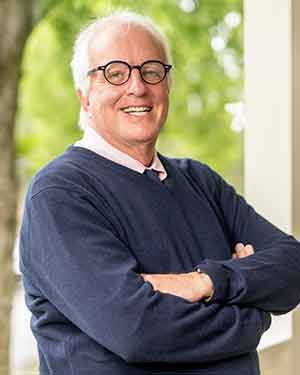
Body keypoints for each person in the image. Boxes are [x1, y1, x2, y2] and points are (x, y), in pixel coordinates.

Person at [19, 10, 300, 375]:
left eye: (152, 71)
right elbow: (136, 331)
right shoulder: (60, 194)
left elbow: (292, 265)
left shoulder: (199, 180)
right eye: (114, 73)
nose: (137, 87)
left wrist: (206, 282)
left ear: (167, 85)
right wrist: (254, 314)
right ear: (85, 97)